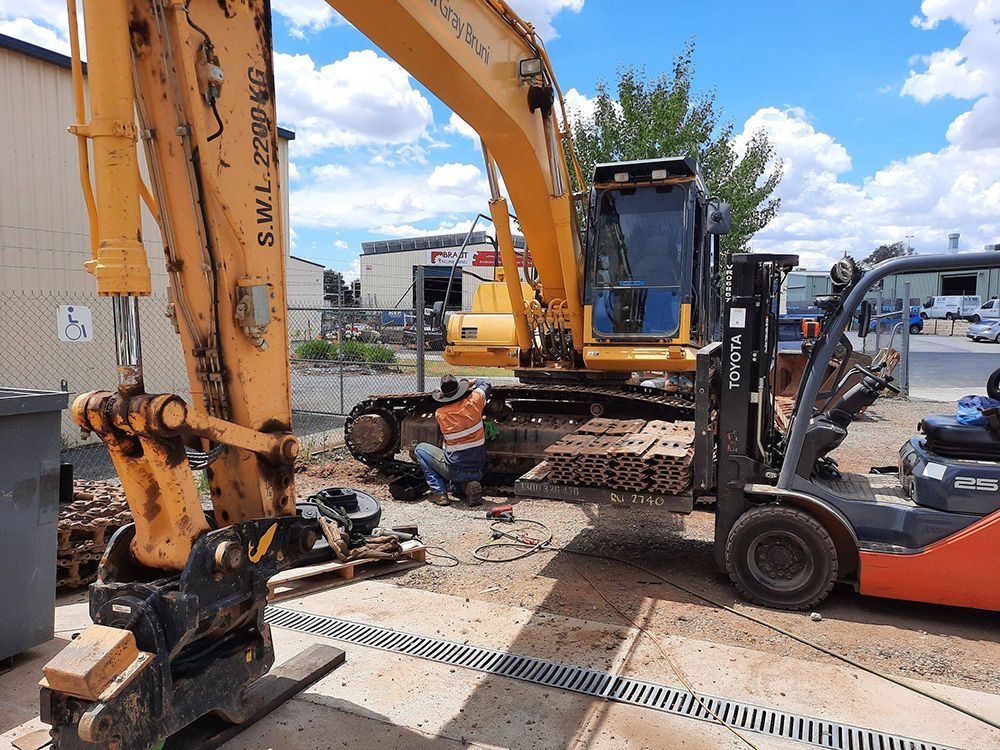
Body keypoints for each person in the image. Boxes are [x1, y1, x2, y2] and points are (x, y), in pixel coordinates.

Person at [414, 374, 491, 507]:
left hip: (455, 471)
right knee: (457, 480)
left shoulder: (441, 414)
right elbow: (485, 383)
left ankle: (439, 493)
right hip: (478, 470)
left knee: (420, 449)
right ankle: (467, 486)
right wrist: (468, 382)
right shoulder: (474, 402)